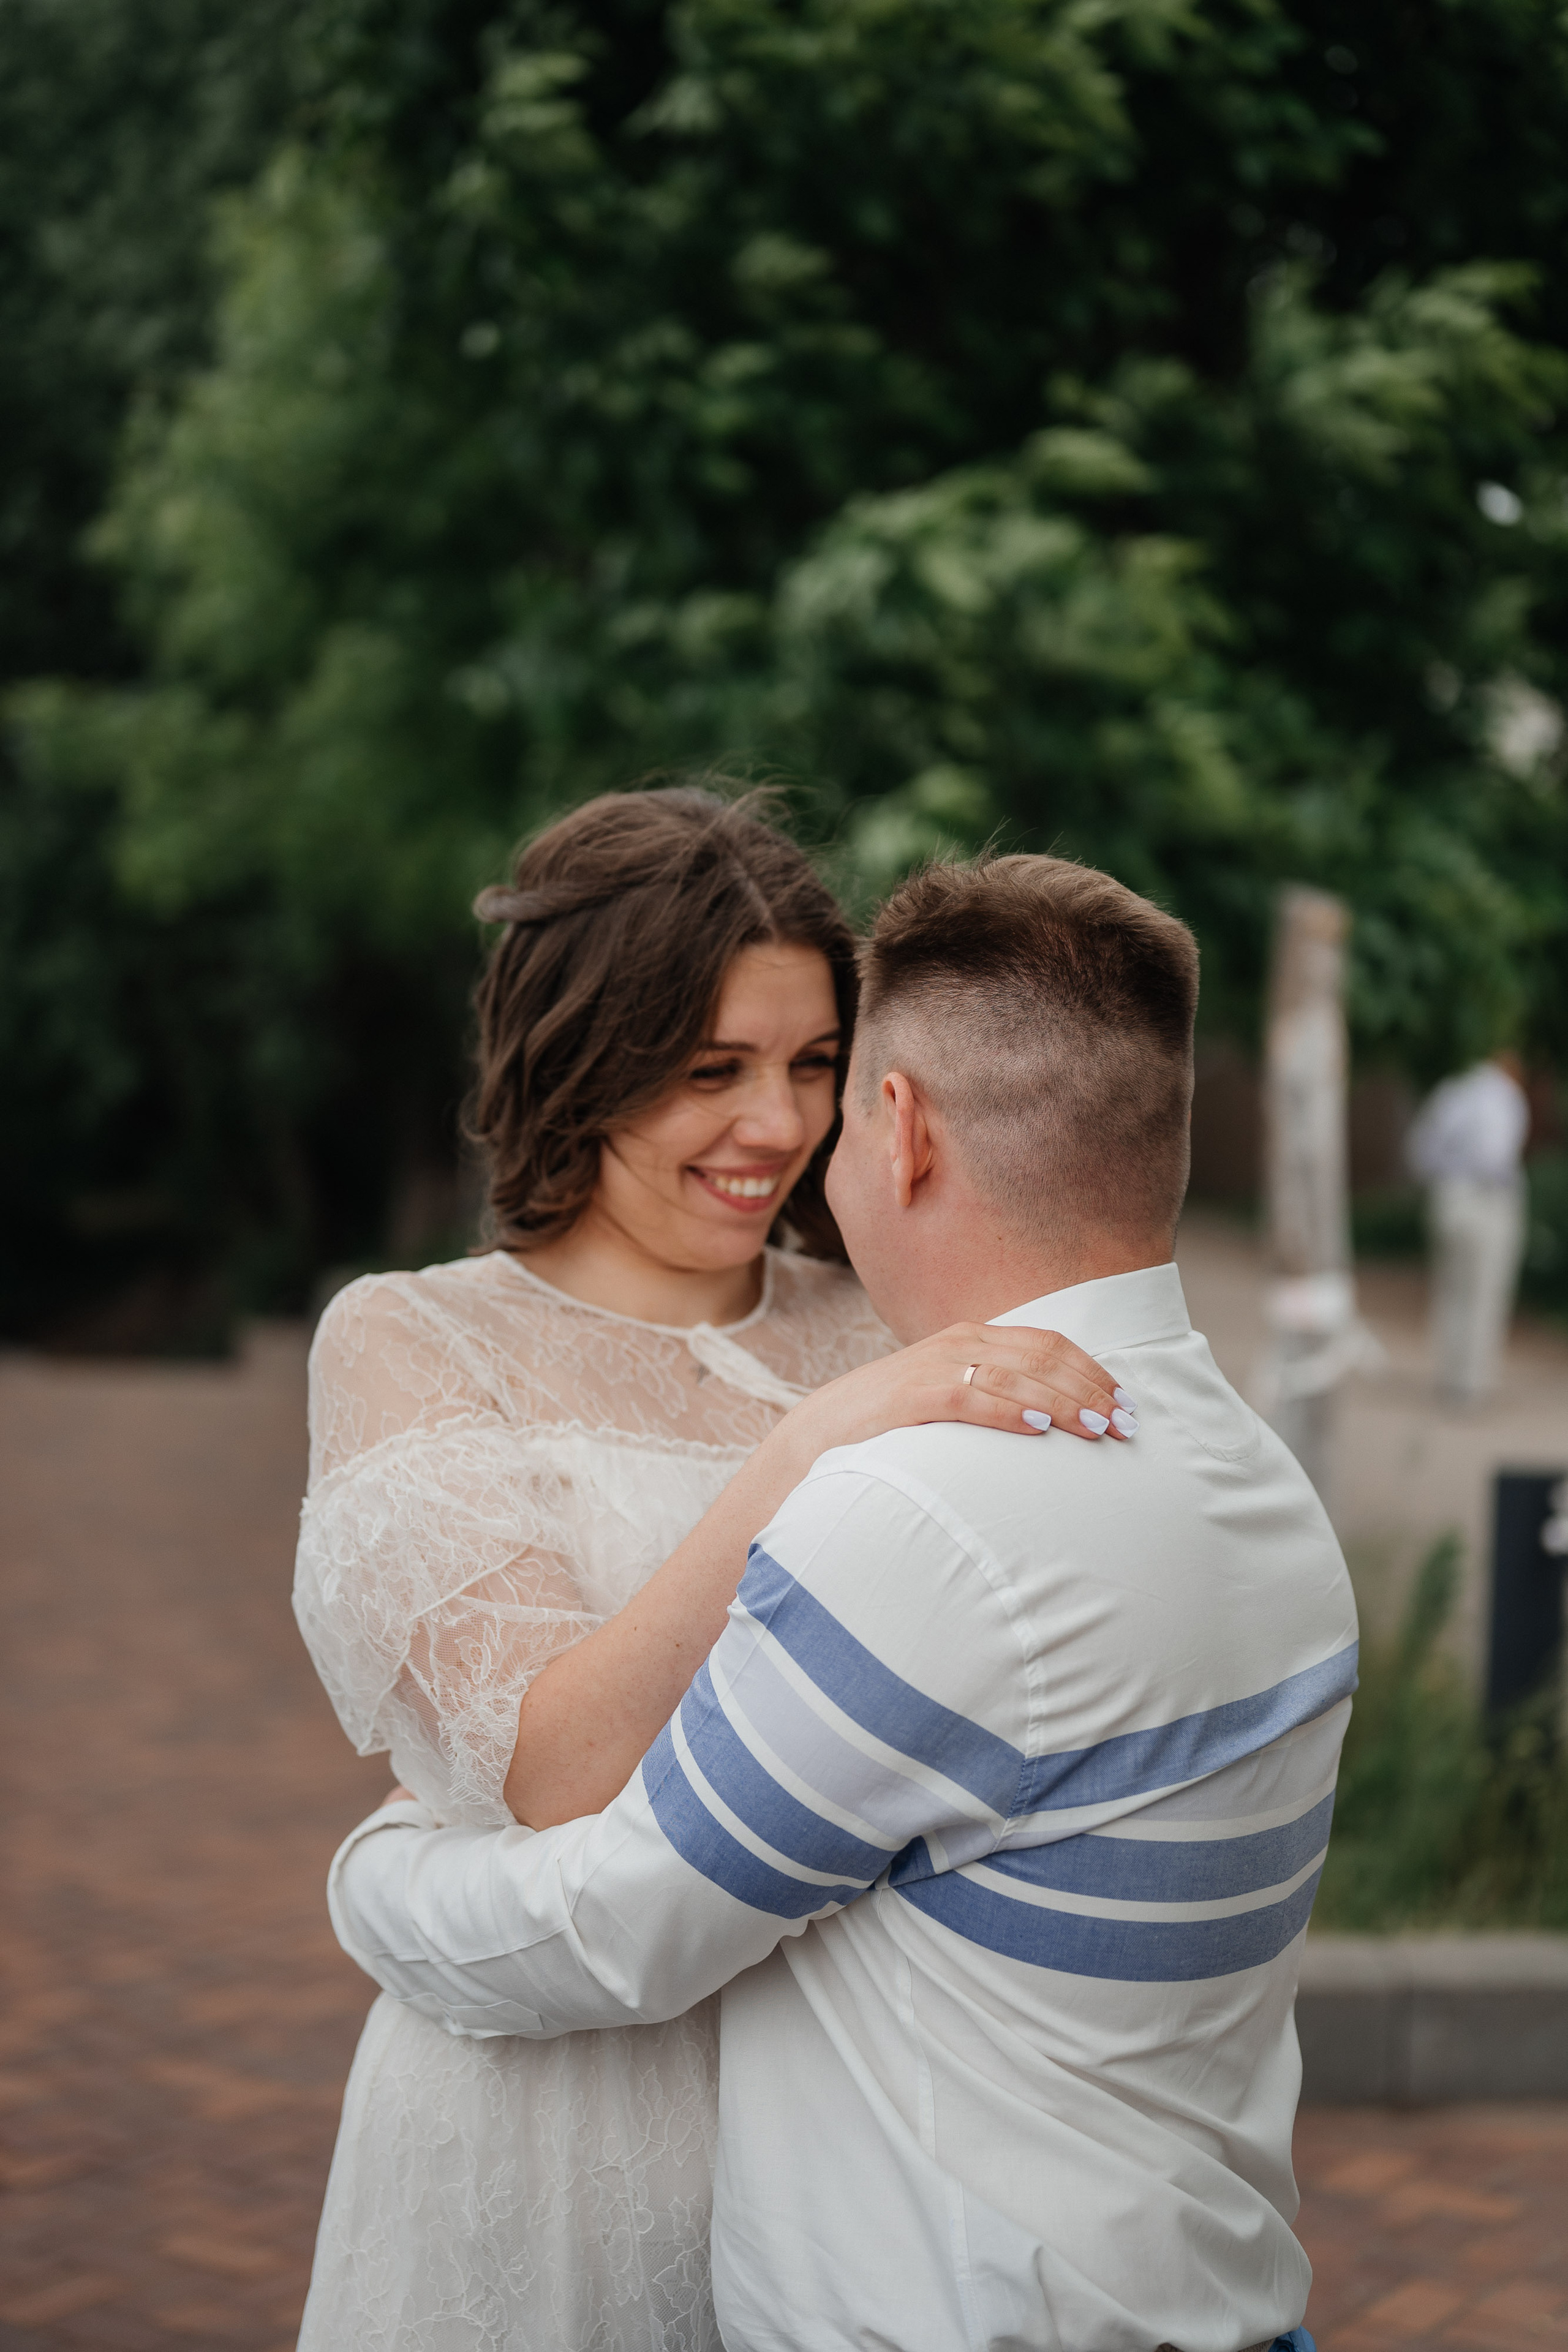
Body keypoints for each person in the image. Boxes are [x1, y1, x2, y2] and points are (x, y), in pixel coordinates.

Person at [327, 851, 1357, 2352]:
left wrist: (371, 1878)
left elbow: (624, 1924)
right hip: (558, 2143)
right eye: (709, 1066)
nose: (779, 1123)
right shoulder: (1254, 1480)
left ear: (896, 1118)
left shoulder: (926, 1478)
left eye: (819, 1065)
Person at [1406, 1051, 1531, 1403]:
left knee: (1450, 1288)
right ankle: (1471, 1384)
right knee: (1484, 1291)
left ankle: (1449, 1375)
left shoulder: (1451, 1090)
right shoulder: (1505, 1096)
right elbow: (1496, 1155)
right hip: (1488, 1199)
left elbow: (1419, 1150)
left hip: (1448, 1196)